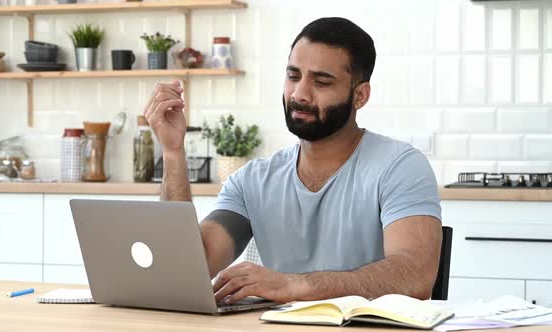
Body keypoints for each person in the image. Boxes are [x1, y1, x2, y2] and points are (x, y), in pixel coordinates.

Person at [143, 17, 442, 305]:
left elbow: (415, 276)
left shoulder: (400, 167)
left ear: (360, 96)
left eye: (322, 82)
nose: (300, 94)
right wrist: (173, 152)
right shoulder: (252, 180)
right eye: (293, 76)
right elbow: (189, 266)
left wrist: (295, 284)